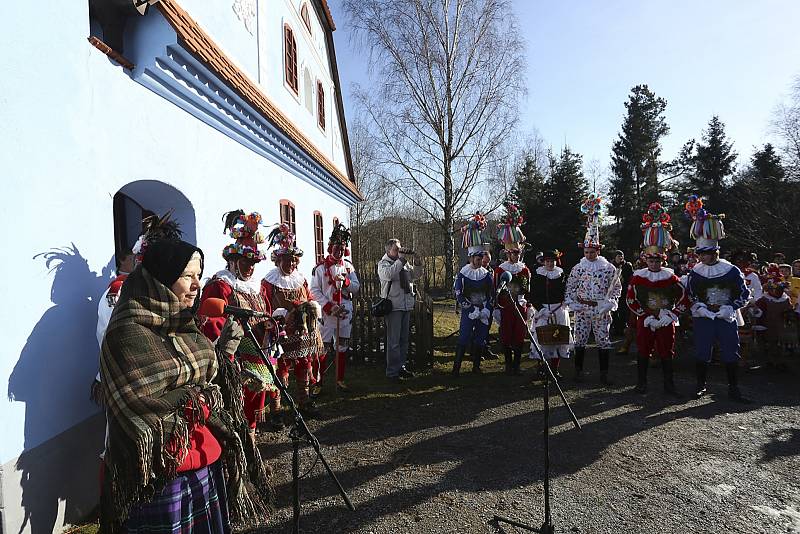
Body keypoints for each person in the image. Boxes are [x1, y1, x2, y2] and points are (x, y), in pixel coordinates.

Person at [99, 238, 269, 533]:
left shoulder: (184, 324)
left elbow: (202, 375)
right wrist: (198, 400)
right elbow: (139, 409)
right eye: (187, 276)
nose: (196, 285)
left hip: (206, 465)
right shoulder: (125, 334)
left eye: (198, 276)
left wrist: (224, 354)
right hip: (162, 480)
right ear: (162, 279)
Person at [200, 210, 281, 433]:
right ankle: (240, 450)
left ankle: (251, 444)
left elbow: (267, 311)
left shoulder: (258, 287)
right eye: (246, 262)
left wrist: (272, 324)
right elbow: (211, 324)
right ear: (233, 261)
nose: (251, 267)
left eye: (254, 262)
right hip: (235, 361)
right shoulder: (221, 285)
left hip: (260, 355)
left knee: (255, 405)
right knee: (237, 408)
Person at [684, 195, 750, 403]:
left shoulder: (731, 270)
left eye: (706, 254)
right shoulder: (696, 271)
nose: (702, 258)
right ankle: (700, 385)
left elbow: (744, 294)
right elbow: (691, 293)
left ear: (715, 252)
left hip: (725, 316)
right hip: (704, 316)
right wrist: (699, 306)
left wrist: (730, 308)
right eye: (700, 254)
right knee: (703, 351)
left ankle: (734, 387)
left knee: (731, 351)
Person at [625, 203, 689, 396]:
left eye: (657, 261)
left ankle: (669, 385)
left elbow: (685, 299)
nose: (654, 264)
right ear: (646, 260)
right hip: (646, 320)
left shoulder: (671, 278)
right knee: (643, 350)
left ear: (663, 261)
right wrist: (645, 315)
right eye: (651, 261)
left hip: (666, 319)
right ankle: (641, 384)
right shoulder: (638, 277)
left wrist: (672, 315)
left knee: (666, 351)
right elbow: (630, 299)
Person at [262, 223, 323, 418]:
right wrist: (281, 313)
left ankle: (304, 401)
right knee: (279, 369)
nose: (291, 265)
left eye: (293, 261)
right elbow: (265, 307)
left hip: (302, 332)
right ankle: (276, 409)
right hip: (280, 332)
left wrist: (312, 306)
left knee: (304, 364)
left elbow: (309, 297)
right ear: (278, 261)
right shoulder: (268, 282)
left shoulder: (301, 279)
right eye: (286, 261)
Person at [565, 195, 622, 384]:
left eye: (592, 252)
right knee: (579, 340)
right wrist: (573, 303)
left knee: (603, 340)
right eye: (586, 252)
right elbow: (570, 286)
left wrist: (610, 303)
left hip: (600, 309)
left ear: (598, 250)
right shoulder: (578, 267)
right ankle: (578, 371)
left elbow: (616, 288)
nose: (589, 255)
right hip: (581, 309)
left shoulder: (608, 268)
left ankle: (604, 374)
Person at [310, 223, 360, 391]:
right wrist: (329, 307)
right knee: (322, 348)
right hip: (326, 314)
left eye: (342, 247)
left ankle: (339, 379)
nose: (338, 250)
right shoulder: (319, 268)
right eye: (336, 247)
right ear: (330, 247)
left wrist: (346, 282)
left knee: (342, 346)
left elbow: (356, 287)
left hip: (344, 313)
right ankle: (318, 383)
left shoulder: (348, 267)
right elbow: (314, 290)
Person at [452, 213, 494, 376]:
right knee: (463, 338)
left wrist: (486, 309)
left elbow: (491, 294)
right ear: (470, 257)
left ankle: (476, 367)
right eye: (476, 257)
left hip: (483, 311)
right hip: (469, 312)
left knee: (480, 339)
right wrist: (470, 309)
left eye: (480, 257)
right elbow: (459, 294)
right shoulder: (463, 274)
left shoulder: (486, 274)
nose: (479, 260)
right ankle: (456, 368)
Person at [378, 238, 423, 381]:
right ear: (388, 250)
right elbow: (389, 275)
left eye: (400, 248)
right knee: (393, 341)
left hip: (405, 305)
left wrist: (417, 262)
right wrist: (401, 260)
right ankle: (392, 372)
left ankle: (401, 367)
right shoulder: (383, 264)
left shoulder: (403, 263)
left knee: (404, 340)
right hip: (393, 307)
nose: (399, 251)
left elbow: (416, 276)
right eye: (396, 249)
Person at [494, 202, 531, 375]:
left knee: (519, 334)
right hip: (506, 306)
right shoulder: (500, 269)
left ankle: (517, 365)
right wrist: (496, 307)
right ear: (506, 253)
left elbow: (528, 289)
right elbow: (496, 288)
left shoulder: (524, 269)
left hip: (520, 305)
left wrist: (528, 305)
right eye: (510, 253)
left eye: (516, 253)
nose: (513, 256)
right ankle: (508, 365)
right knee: (507, 335)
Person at [529, 249, 570, 379]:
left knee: (558, 339)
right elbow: (533, 295)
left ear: (555, 261)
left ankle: (554, 370)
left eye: (552, 261)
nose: (550, 264)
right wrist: (541, 309)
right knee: (543, 340)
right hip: (543, 311)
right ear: (543, 262)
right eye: (547, 261)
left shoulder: (561, 274)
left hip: (558, 310)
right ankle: (541, 369)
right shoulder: (538, 275)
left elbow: (567, 290)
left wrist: (565, 301)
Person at [755, 269, 794, 370]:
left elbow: (789, 310)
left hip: (782, 325)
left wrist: (789, 315)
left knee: (781, 343)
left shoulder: (785, 299)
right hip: (768, 324)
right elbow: (759, 313)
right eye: (772, 289)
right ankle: (770, 361)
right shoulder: (764, 299)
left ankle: (781, 361)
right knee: (769, 343)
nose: (775, 291)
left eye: (778, 289)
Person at [610, 249, 635, 354]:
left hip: (624, 291)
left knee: (624, 310)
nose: (620, 258)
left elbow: (631, 277)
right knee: (614, 310)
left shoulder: (627, 266)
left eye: (621, 256)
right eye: (618, 256)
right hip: (614, 291)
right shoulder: (611, 266)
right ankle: (616, 328)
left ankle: (623, 327)